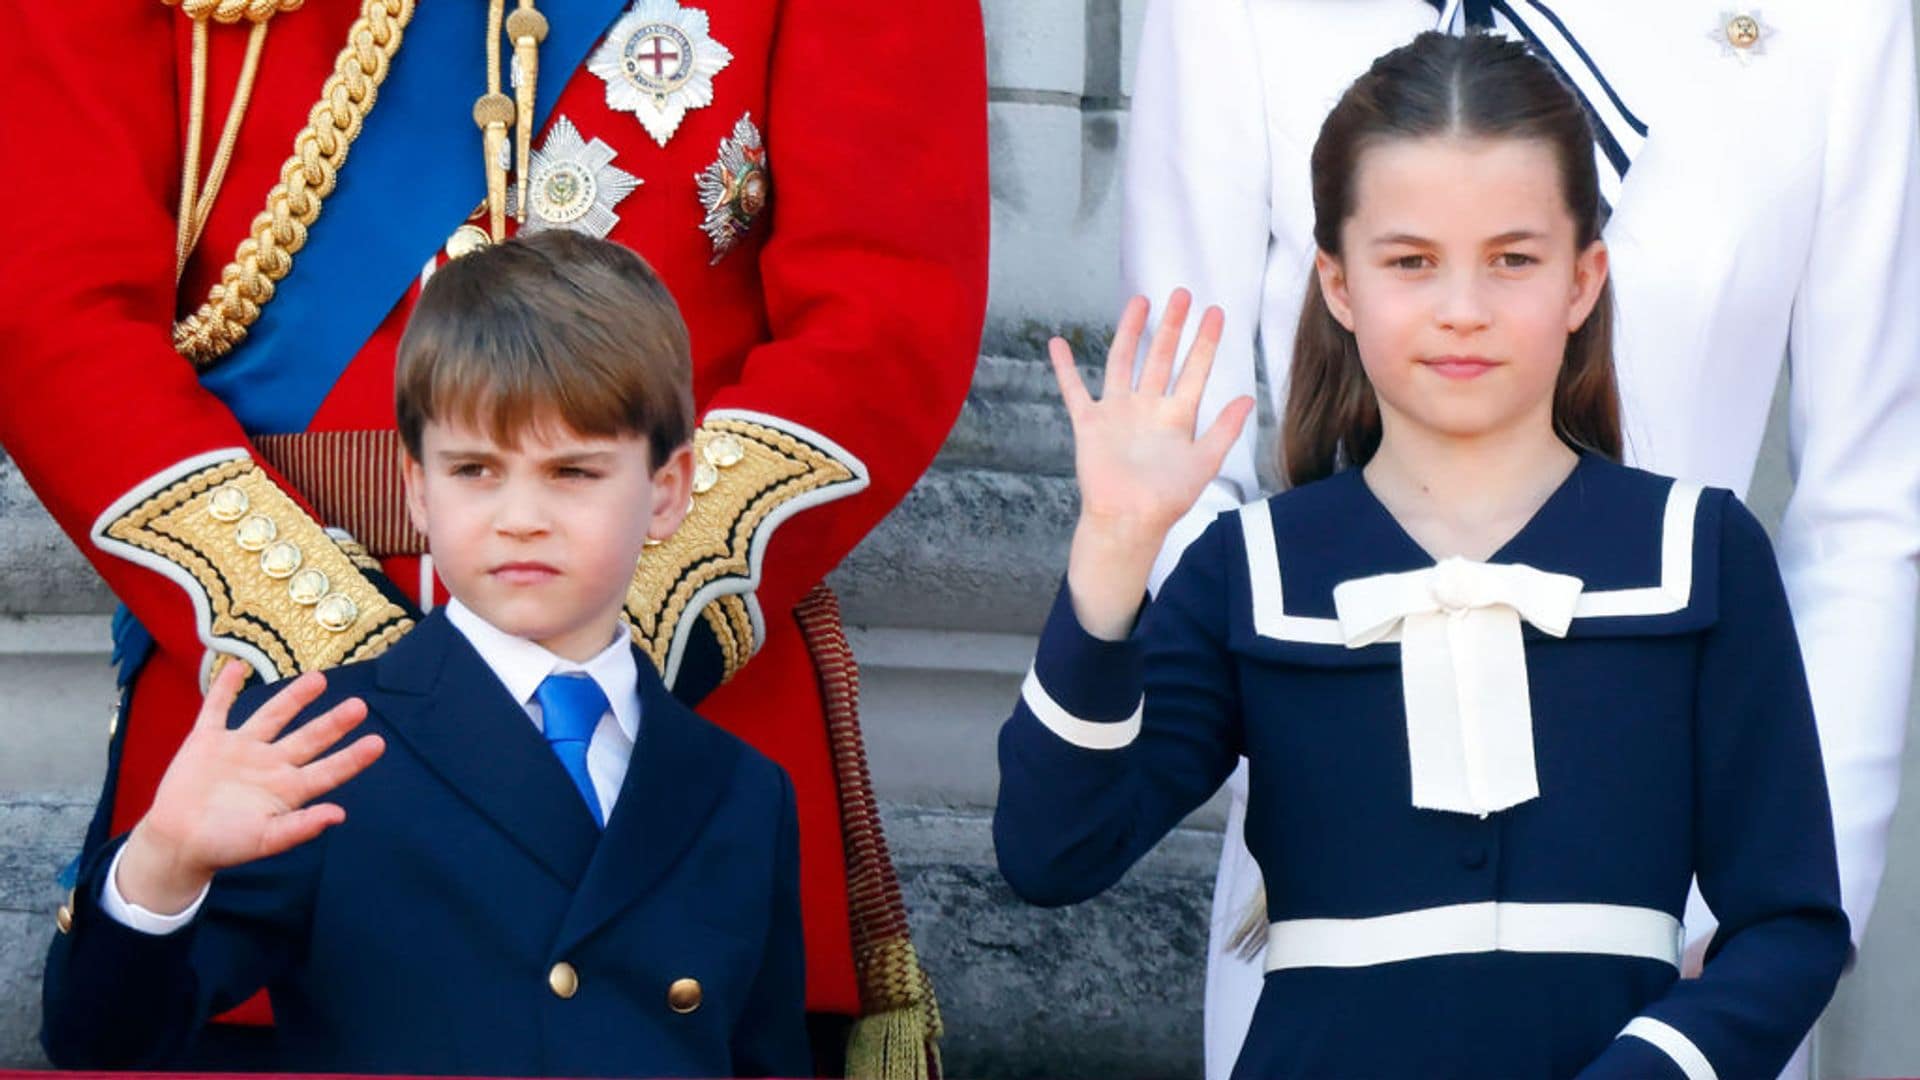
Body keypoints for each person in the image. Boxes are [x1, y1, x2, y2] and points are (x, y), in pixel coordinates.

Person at [0, 3, 985, 1070]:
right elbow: (52, 311)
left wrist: (606, 610)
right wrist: (354, 672)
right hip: (272, 732)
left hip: (672, 724)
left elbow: (885, 318)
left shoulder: (734, 806)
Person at [996, 32, 1849, 1078]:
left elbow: (1794, 925)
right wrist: (1113, 556)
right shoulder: (1251, 569)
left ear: (1584, 281)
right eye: (1410, 262)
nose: (1462, 309)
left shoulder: (1701, 553)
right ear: (1339, 285)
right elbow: (1052, 852)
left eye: (1513, 259)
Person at [39, 231, 809, 1077]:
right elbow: (100, 1041)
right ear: (416, 490)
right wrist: (161, 864)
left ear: (666, 491)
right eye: (476, 469)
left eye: (574, 472)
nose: (521, 516)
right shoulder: (319, 746)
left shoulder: (742, 792)